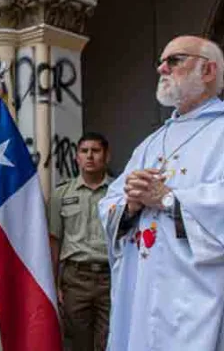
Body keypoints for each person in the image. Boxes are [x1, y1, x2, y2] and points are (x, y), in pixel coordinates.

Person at [99, 36, 224, 350]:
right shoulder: (152, 142)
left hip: (196, 295)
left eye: (174, 60)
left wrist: (168, 199)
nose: (161, 68)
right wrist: (129, 204)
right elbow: (110, 201)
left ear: (208, 70)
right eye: (162, 60)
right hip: (143, 288)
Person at [49, 132, 112, 351]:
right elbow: (55, 240)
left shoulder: (118, 192)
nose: (90, 156)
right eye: (84, 151)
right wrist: (54, 282)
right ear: (76, 157)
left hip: (110, 276)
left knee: (110, 341)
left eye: (96, 151)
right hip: (76, 279)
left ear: (107, 156)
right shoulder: (61, 194)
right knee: (79, 343)